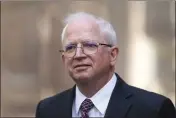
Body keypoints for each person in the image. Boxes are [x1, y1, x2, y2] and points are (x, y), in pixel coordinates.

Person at [35, 12, 176, 118]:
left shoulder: (153, 110)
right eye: (70, 48)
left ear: (113, 55)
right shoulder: (47, 110)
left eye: (89, 45)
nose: (78, 55)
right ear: (63, 59)